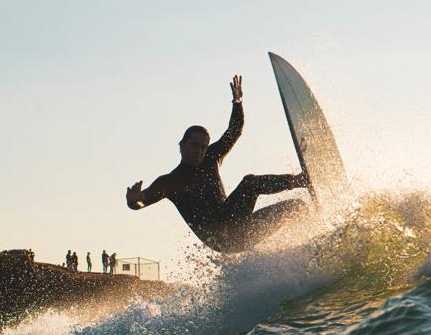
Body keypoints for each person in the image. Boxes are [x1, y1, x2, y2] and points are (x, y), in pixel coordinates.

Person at [126, 75, 309, 253]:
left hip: (241, 228)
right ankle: (299, 181)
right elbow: (140, 202)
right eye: (195, 145)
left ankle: (307, 249)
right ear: (182, 145)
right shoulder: (170, 182)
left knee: (296, 207)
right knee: (250, 183)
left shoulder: (211, 157)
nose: (200, 150)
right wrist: (133, 200)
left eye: (203, 146)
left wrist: (237, 103)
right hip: (221, 238)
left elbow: (234, 131)